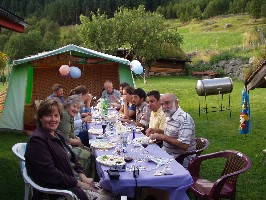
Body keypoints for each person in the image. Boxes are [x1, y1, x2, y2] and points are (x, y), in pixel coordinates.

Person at [25, 99, 115, 200]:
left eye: (56, 115)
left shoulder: (57, 134)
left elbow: (73, 159)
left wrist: (83, 177)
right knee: (111, 197)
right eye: (48, 115)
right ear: (40, 118)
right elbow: (50, 174)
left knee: (114, 190)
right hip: (60, 192)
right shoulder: (38, 141)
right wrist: (80, 184)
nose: (53, 119)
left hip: (73, 181)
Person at [148, 93, 196, 168]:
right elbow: (171, 134)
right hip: (166, 153)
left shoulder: (184, 119)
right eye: (162, 104)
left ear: (176, 103)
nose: (164, 107)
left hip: (180, 159)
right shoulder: (170, 116)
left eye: (167, 103)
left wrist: (163, 137)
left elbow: (184, 145)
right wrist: (156, 130)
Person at [57, 95, 93, 177]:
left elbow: (71, 133)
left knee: (90, 150)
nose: (76, 110)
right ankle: (80, 177)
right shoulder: (65, 116)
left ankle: (88, 176)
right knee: (88, 154)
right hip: (62, 147)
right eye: (74, 107)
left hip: (66, 144)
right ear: (68, 105)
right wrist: (78, 142)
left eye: (78, 108)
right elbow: (66, 139)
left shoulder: (70, 115)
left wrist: (77, 139)